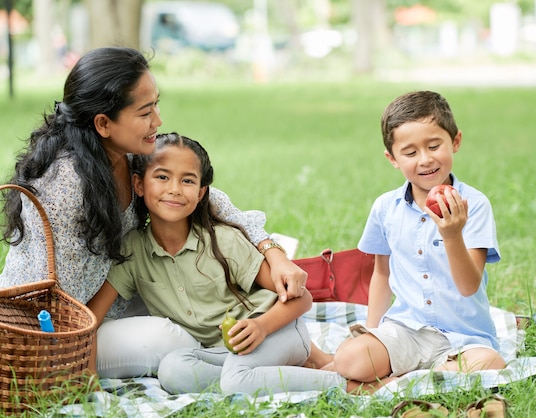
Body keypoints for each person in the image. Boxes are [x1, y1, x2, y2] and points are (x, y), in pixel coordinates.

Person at [0, 47, 307, 378]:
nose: (158, 121)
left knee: (218, 273)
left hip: (113, 304)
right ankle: (240, 370)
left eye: (156, 104)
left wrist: (273, 254)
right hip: (50, 332)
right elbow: (65, 306)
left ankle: (277, 349)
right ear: (103, 123)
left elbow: (209, 200)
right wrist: (84, 380)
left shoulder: (127, 156)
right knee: (171, 337)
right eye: (145, 111)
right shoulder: (65, 187)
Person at [87, 133, 346, 395]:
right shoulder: (133, 249)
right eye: (162, 177)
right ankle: (277, 376)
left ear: (201, 193)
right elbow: (91, 318)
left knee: (235, 379)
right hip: (221, 353)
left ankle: (348, 384)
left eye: (187, 180)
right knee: (173, 371)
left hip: (276, 332)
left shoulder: (223, 241)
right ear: (139, 184)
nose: (175, 189)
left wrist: (261, 326)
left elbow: (302, 299)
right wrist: (85, 372)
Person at [324, 90, 506, 393]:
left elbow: (468, 286)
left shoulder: (474, 204)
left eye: (434, 146)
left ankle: (389, 384)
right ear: (392, 159)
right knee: (350, 358)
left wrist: (452, 235)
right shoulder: (385, 207)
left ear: (456, 141)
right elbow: (381, 274)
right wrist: (374, 333)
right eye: (410, 153)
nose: (425, 160)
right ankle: (421, 380)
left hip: (464, 339)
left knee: (490, 363)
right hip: (406, 331)